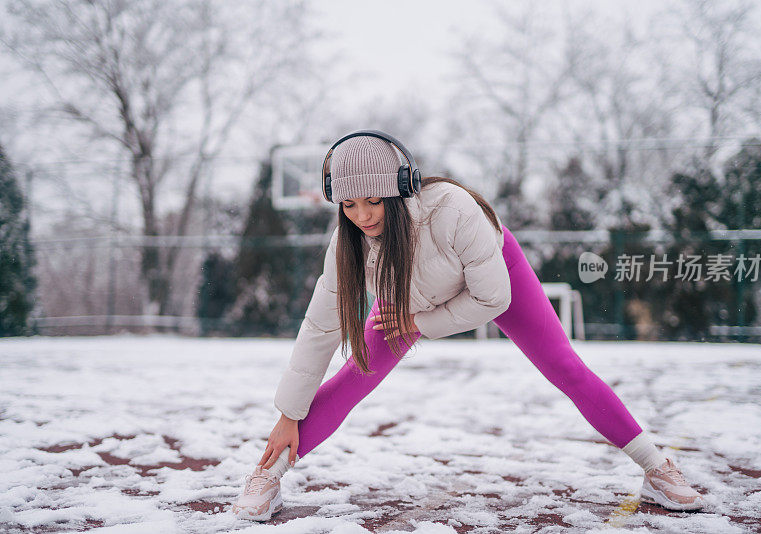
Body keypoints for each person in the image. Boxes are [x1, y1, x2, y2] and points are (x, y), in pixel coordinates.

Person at [230, 131, 707, 521]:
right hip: (408, 300)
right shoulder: (349, 242)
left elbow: (492, 298)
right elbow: (319, 328)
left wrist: (418, 322)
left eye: (372, 201)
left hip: (490, 279)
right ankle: (268, 477)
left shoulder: (456, 209)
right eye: (349, 206)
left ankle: (656, 467)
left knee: (566, 367)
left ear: (398, 186)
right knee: (352, 378)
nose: (362, 216)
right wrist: (289, 412)